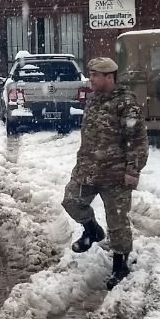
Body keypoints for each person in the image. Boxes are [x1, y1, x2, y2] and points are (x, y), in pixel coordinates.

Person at [63, 56, 148, 289]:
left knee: (118, 222)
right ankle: (92, 231)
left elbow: (137, 140)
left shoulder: (125, 104)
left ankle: (120, 266)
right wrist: (81, 164)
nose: (91, 79)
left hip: (116, 175)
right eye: (90, 75)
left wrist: (133, 170)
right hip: (88, 171)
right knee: (71, 201)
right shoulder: (93, 100)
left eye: (95, 76)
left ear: (109, 77)